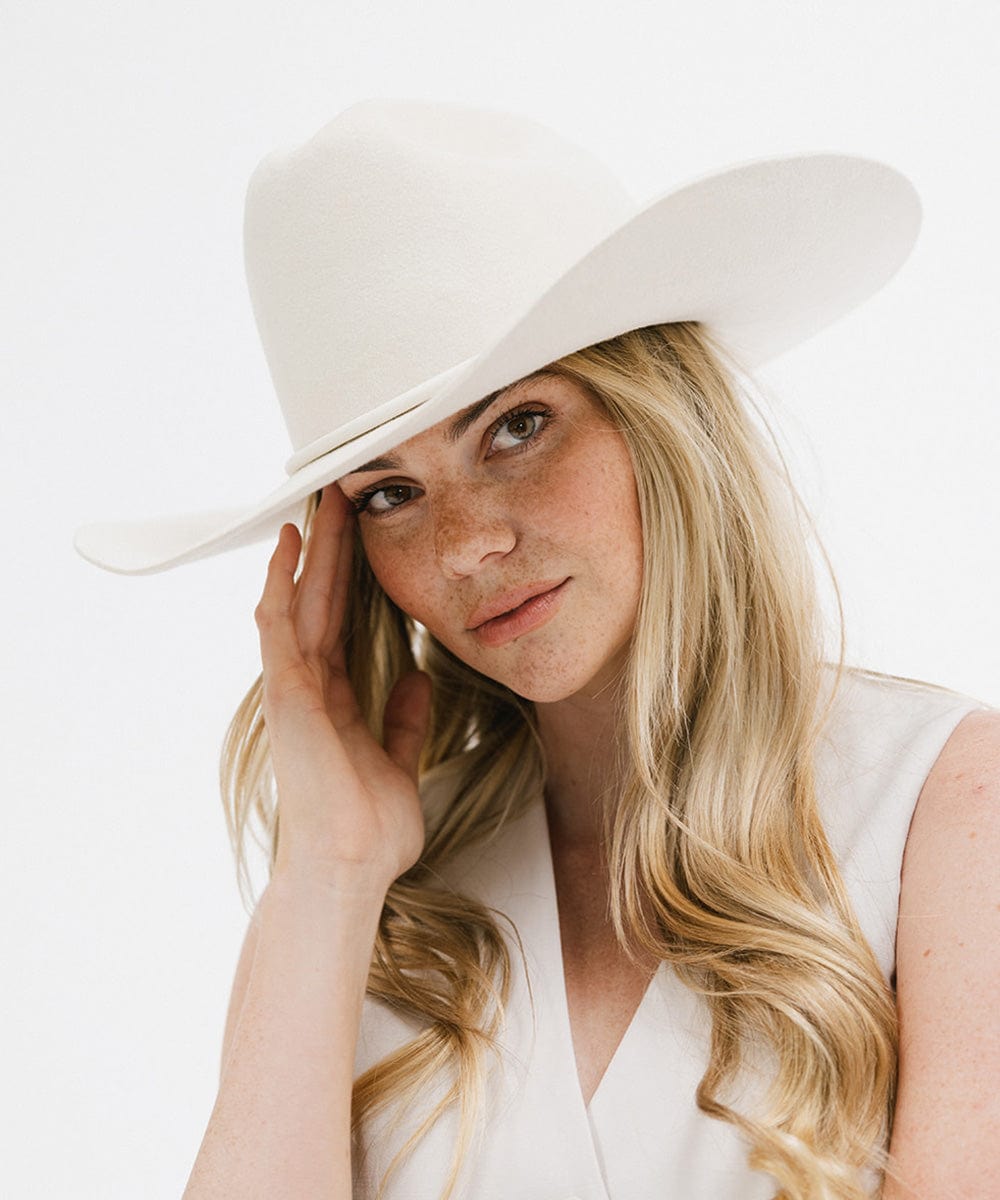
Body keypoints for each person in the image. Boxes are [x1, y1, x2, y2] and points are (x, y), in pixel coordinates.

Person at [75, 100, 999, 1200]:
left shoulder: (941, 802)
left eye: (516, 426)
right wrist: (326, 873)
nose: (466, 545)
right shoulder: (376, 901)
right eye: (390, 493)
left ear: (664, 414)